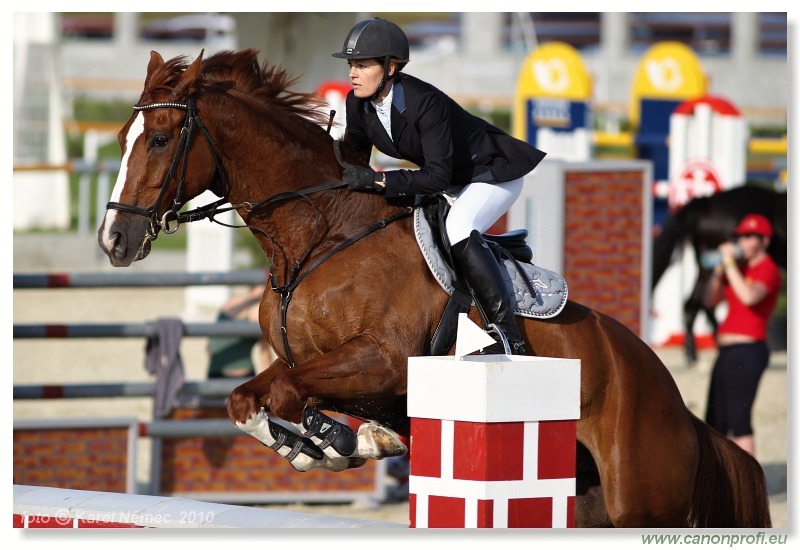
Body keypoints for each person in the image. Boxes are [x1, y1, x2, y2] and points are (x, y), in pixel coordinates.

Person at [333, 17, 546, 355]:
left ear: (390, 68)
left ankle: (508, 337)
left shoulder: (424, 102)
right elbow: (354, 157)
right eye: (351, 65)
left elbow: (436, 178)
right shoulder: (357, 103)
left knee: (459, 226)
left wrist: (379, 179)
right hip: (451, 180)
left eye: (362, 65)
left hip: (491, 173)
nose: (352, 73)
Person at [703, 213, 781, 456]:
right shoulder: (738, 269)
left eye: (750, 237)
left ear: (764, 241)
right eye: (741, 237)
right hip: (726, 351)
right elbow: (709, 301)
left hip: (749, 351)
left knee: (739, 419)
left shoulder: (767, 269)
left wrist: (728, 265)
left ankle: (748, 485)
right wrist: (718, 274)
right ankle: (723, 482)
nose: (743, 242)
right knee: (715, 422)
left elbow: (749, 297)